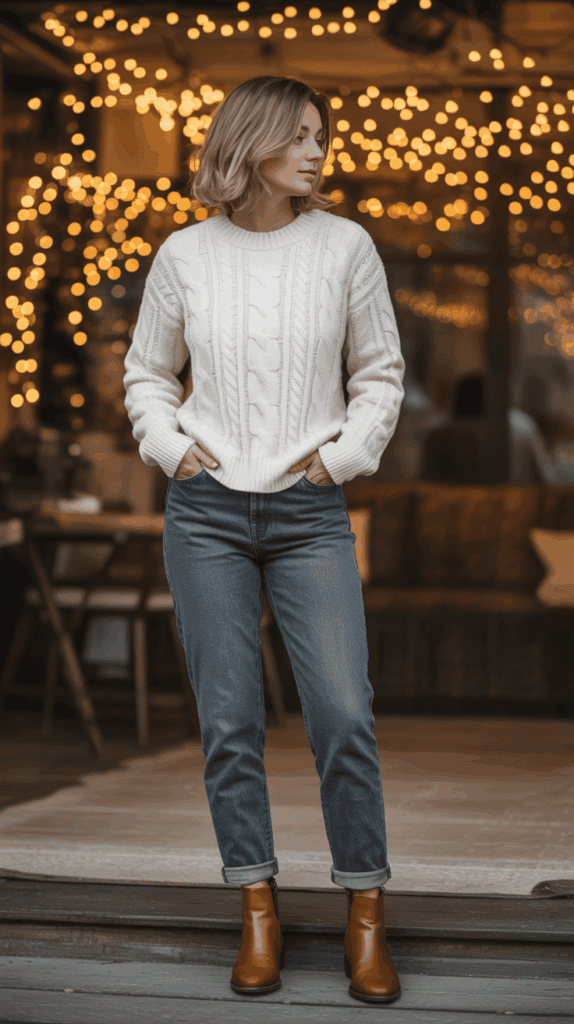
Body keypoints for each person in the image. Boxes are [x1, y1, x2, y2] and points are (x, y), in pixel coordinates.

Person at [123, 75, 405, 1005]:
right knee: (230, 725)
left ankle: (366, 911)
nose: (321, 151)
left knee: (343, 716)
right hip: (204, 514)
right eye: (303, 135)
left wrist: (347, 455)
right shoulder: (185, 255)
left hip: (309, 509)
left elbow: (379, 373)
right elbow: (147, 377)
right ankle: (258, 907)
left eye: (323, 136)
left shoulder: (346, 247)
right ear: (252, 142)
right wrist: (172, 449)